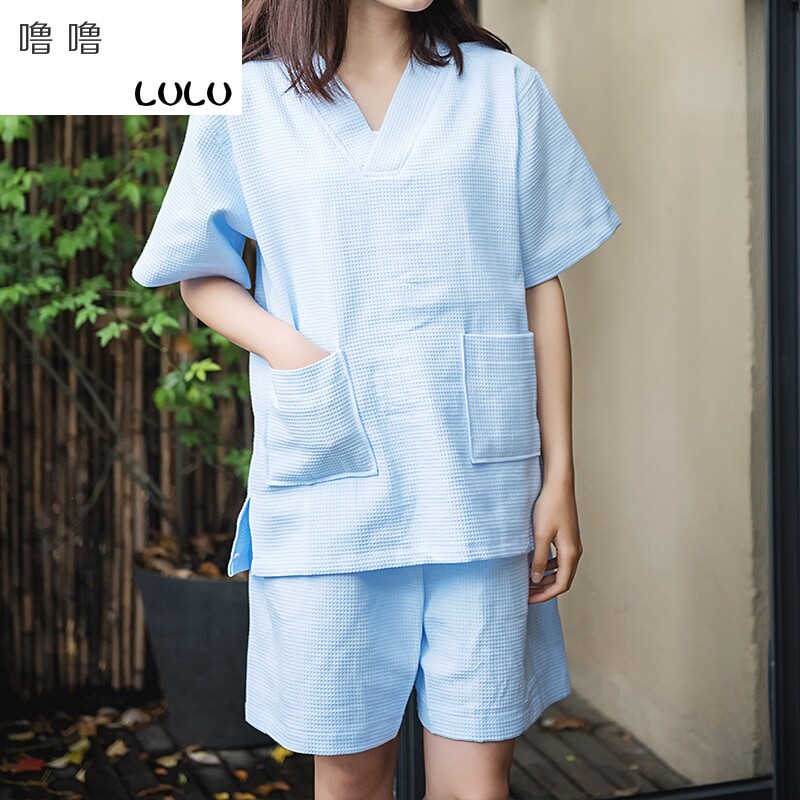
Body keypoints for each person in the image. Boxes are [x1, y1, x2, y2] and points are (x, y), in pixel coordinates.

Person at [131, 0, 621, 797]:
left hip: (478, 490)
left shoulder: (503, 89)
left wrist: (560, 477)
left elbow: (540, 283)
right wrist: (295, 353)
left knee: (478, 782)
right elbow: (201, 272)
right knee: (352, 774)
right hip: (333, 484)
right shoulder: (248, 98)